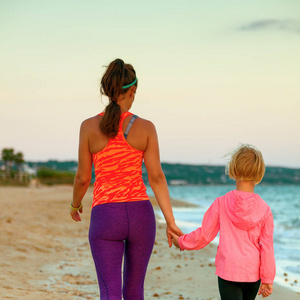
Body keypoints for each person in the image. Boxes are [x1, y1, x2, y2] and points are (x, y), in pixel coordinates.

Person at [70, 58, 182, 300]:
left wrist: (75, 204)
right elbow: (157, 178)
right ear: (132, 90)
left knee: (110, 292)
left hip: (106, 217)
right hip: (141, 215)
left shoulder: (88, 127)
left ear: (107, 90)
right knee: (134, 292)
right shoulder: (147, 127)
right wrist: (170, 221)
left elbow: (82, 178)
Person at [171, 144, 276, 299]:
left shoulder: (221, 203)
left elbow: (204, 235)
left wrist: (181, 242)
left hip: (228, 270)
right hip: (253, 273)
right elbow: (267, 247)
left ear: (233, 170)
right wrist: (267, 279)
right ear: (259, 173)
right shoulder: (265, 209)